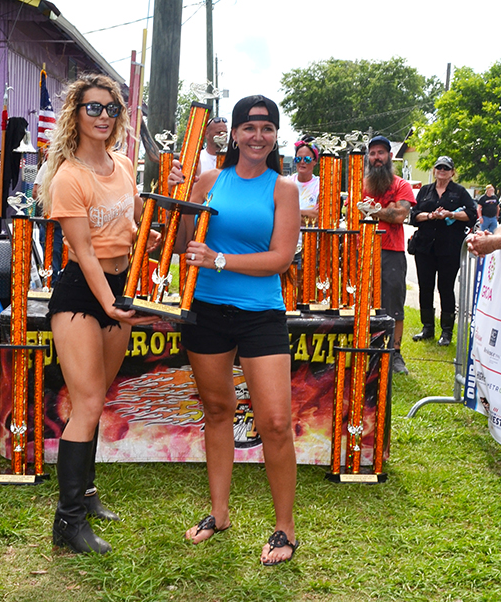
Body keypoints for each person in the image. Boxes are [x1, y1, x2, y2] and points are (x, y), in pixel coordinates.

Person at [178, 95, 300, 566]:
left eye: (267, 128)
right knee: (217, 410)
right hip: (206, 309)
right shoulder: (210, 179)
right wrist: (180, 196)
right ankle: (219, 513)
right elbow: (186, 236)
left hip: (260, 314)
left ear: (275, 137)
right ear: (233, 134)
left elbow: (280, 258)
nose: (257, 136)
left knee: (273, 422)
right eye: (249, 127)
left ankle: (284, 528)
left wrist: (222, 260)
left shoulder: (283, 188)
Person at [40, 73, 159, 555]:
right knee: (87, 403)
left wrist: (143, 241)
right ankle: (66, 523)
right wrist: (108, 303)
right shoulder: (69, 175)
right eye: (93, 108)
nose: (104, 116)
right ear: (76, 114)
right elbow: (84, 252)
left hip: (120, 286)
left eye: (111, 108)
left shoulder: (124, 164)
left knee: (96, 397)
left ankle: (85, 496)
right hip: (81, 295)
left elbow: (125, 227)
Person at [363, 135, 416, 374]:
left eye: (381, 153)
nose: (376, 158)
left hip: (391, 251)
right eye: (372, 153)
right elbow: (349, 210)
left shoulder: (401, 185)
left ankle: (395, 354)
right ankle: (367, 349)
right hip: (362, 248)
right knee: (363, 302)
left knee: (394, 305)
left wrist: (371, 210)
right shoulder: (360, 183)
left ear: (389, 156)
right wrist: (387, 209)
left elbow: (398, 216)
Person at [410, 156, 476, 346]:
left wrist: (451, 214)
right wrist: (431, 215)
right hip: (425, 247)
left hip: (449, 248)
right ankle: (427, 328)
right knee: (425, 287)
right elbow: (414, 216)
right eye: (439, 167)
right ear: (434, 170)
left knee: (446, 288)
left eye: (446, 168)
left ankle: (446, 332)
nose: (442, 171)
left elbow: (471, 215)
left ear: (452, 172)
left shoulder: (460, 192)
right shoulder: (424, 191)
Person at [290, 136, 320, 227]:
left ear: (314, 161)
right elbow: (274, 214)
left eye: (307, 159)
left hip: (312, 239)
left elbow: (319, 217)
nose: (302, 162)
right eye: (298, 159)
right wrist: (308, 214)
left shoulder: (321, 185)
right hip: (289, 239)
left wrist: (287, 213)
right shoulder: (286, 183)